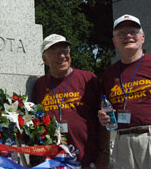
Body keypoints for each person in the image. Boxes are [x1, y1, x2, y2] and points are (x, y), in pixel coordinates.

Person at [32, 34, 108, 168]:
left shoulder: (88, 79)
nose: (61, 56)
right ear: (45, 59)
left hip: (87, 160)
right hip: (52, 162)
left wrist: (104, 153)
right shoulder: (39, 85)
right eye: (54, 52)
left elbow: (104, 119)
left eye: (64, 51)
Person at [98, 14, 151, 168]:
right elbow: (106, 106)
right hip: (122, 141)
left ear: (142, 37)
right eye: (122, 33)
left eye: (133, 31)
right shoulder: (109, 74)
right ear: (114, 41)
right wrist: (103, 117)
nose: (128, 35)